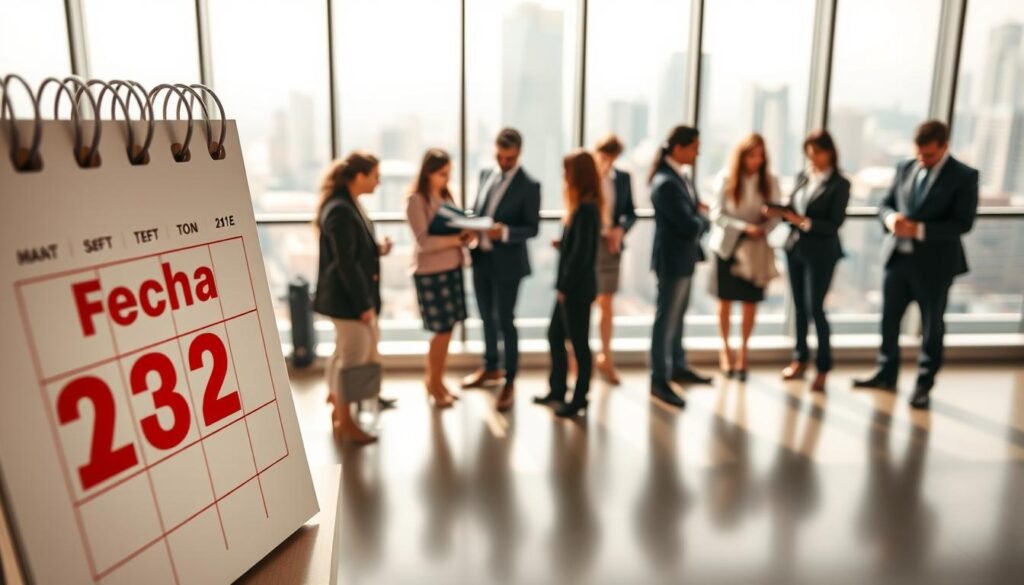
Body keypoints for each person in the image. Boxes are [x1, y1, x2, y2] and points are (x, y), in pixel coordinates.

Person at [854, 120, 979, 409]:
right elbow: (884, 204)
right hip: (897, 259)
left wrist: (919, 230)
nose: (922, 160)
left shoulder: (963, 176)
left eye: (929, 155)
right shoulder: (905, 168)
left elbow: (964, 223)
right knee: (888, 321)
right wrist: (890, 219)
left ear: (944, 147)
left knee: (931, 327)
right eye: (920, 153)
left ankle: (924, 384)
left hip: (935, 266)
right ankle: (886, 373)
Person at [313, 151, 391, 445]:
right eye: (375, 176)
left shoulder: (347, 205)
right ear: (360, 176)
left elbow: (351, 251)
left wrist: (377, 249)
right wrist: (363, 306)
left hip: (346, 299)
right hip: (348, 301)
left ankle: (338, 407)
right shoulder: (340, 210)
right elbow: (345, 263)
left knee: (342, 353)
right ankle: (346, 421)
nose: (379, 182)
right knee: (351, 359)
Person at [461, 128, 541, 412]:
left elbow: (532, 228)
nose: (504, 162)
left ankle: (509, 380)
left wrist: (505, 232)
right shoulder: (486, 174)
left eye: (509, 158)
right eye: (500, 156)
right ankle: (490, 367)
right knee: (485, 317)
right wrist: (468, 227)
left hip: (509, 265)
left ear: (519, 153)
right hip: (481, 259)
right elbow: (476, 209)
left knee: (505, 320)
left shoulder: (530, 185)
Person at [765, 130, 850, 393]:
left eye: (817, 152)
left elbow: (834, 223)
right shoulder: (804, 176)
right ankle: (800, 359)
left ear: (830, 152)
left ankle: (823, 367)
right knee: (799, 307)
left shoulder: (840, 184)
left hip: (822, 253)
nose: (812, 158)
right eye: (809, 153)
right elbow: (793, 208)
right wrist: (779, 212)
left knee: (816, 309)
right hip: (795, 249)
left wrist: (803, 222)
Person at [533, 149, 603, 418]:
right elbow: (578, 248)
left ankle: (579, 397)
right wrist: (563, 244)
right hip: (571, 287)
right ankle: (558, 390)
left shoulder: (587, 208)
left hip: (575, 289)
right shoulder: (583, 205)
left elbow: (582, 256)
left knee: (579, 344)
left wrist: (563, 286)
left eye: (567, 171)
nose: (564, 176)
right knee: (555, 336)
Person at [649, 125, 713, 409]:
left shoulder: (679, 177)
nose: (698, 152)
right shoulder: (666, 182)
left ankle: (677, 366)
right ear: (679, 147)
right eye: (694, 146)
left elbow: (692, 214)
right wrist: (704, 218)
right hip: (673, 259)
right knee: (666, 320)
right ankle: (659, 379)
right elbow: (690, 224)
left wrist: (697, 215)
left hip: (684, 258)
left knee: (677, 317)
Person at [406, 149, 476, 408]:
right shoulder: (416, 201)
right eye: (442, 173)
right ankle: (433, 383)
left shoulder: (446, 196)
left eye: (449, 173)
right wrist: (455, 239)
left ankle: (437, 381)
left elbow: (453, 229)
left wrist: (467, 235)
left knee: (448, 331)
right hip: (430, 274)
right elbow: (423, 242)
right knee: (441, 332)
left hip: (452, 269)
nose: (447, 179)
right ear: (428, 172)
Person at [708, 133, 781, 382]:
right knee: (725, 301)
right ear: (742, 156)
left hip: (756, 247)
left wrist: (764, 227)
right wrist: (743, 227)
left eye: (760, 156)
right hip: (729, 246)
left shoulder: (770, 180)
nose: (756, 161)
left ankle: (743, 354)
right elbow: (716, 214)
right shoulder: (726, 178)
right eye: (752, 155)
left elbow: (778, 213)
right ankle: (725, 349)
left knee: (750, 302)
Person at [592, 134, 637, 385]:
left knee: (607, 304)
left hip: (612, 247)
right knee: (585, 302)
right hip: (590, 245)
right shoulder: (587, 179)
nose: (607, 161)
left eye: (612, 157)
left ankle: (606, 358)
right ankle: (578, 361)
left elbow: (631, 212)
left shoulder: (623, 178)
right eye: (604, 155)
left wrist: (620, 229)